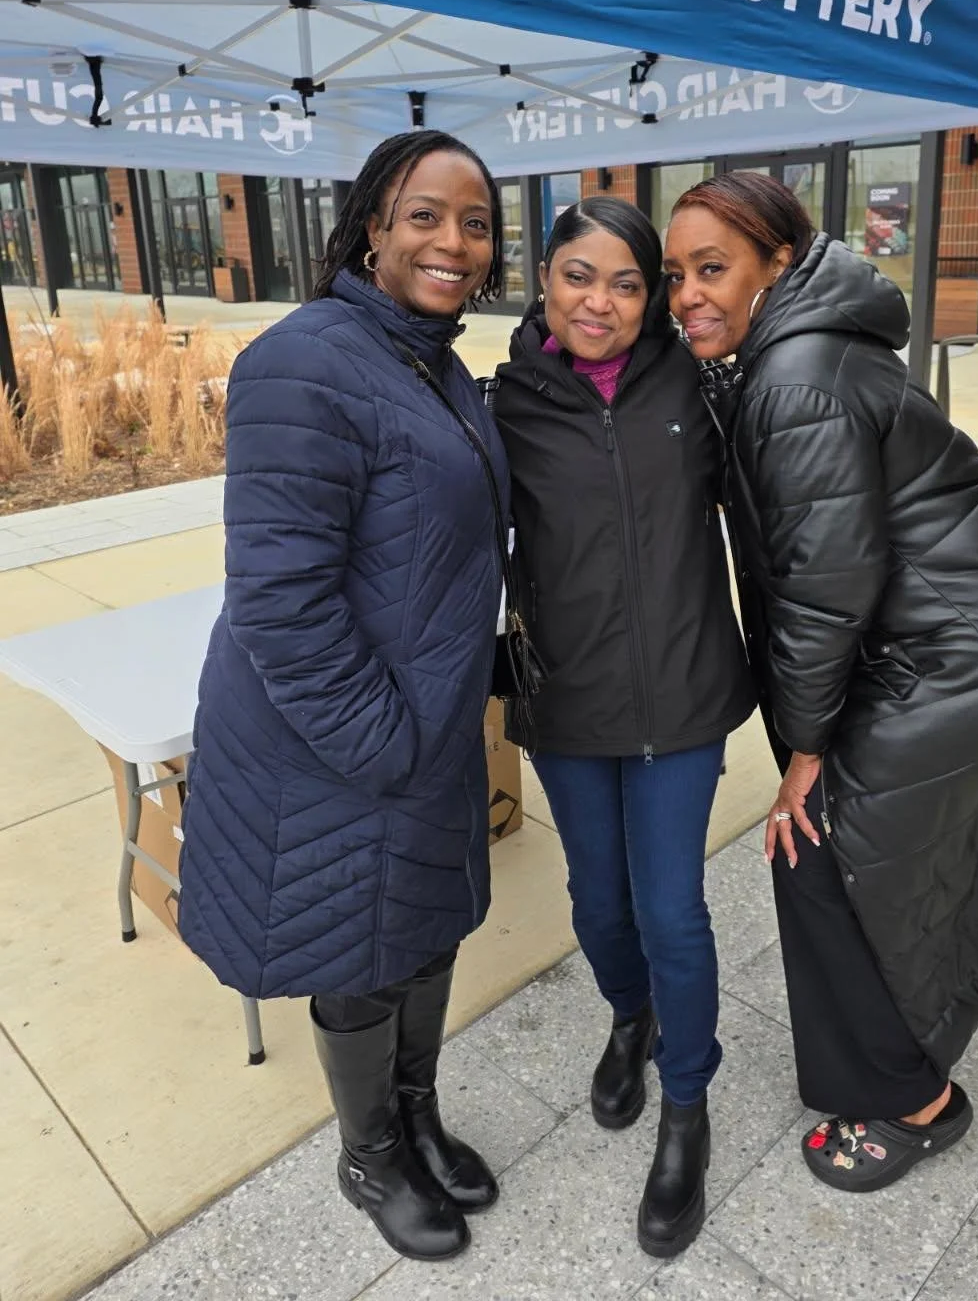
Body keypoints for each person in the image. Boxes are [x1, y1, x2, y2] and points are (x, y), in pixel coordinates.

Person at [664, 170, 978, 1193]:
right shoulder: (791, 354)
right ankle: (912, 1045)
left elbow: (824, 582)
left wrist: (806, 750)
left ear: (779, 264)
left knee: (815, 847)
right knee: (862, 851)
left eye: (713, 268)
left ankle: (916, 1103)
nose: (688, 291)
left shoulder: (797, 377)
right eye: (676, 272)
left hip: (971, 644)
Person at [179, 131, 511, 1261]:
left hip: (422, 728)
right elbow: (279, 598)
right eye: (425, 214)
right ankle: (368, 1153)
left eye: (473, 222)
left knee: (421, 929)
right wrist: (386, 742)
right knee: (359, 955)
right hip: (340, 739)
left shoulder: (436, 361)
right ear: (371, 223)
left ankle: (416, 1115)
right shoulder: (303, 360)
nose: (452, 241)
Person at [488, 197, 755, 1257]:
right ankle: (627, 1016)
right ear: (544, 281)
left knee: (673, 907)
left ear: (653, 297)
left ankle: (686, 1101)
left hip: (684, 695)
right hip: (568, 703)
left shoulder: (702, 385)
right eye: (578, 276)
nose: (600, 301)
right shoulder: (502, 404)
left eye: (627, 282)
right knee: (597, 902)